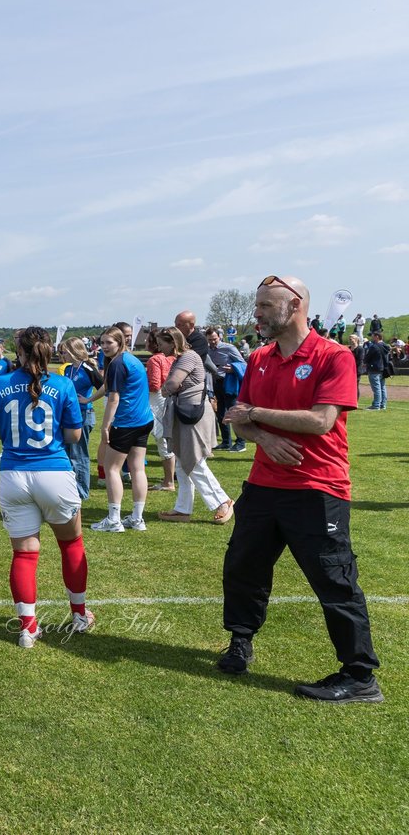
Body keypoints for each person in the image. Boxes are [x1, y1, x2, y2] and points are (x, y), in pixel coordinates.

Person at [217, 275, 382, 703]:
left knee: (335, 579)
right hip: (263, 484)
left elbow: (321, 420)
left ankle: (360, 675)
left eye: (265, 306)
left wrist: (255, 413)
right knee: (243, 567)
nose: (256, 314)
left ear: (294, 306)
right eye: (257, 306)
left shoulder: (335, 355)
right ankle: (240, 640)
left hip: (317, 488)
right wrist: (265, 437)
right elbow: (239, 417)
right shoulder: (259, 358)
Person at [0, 326, 92, 647]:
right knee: (71, 545)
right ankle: (79, 614)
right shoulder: (62, 384)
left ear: (19, 352)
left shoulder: (0, 383)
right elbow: (74, 435)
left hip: (14, 476)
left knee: (24, 554)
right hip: (53, 473)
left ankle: (28, 628)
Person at [154, 328, 234, 525]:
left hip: (192, 416)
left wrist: (169, 388)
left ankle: (222, 501)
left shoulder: (188, 357)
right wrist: (170, 389)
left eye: (161, 343)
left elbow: (170, 386)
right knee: (182, 461)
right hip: (186, 415)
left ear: (173, 342)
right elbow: (170, 388)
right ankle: (182, 509)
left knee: (194, 460)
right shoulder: (183, 358)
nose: (158, 347)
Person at [91, 326, 153, 532]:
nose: (104, 347)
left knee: (112, 469)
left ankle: (114, 519)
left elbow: (114, 398)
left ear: (120, 343)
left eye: (109, 342)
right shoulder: (132, 359)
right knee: (137, 469)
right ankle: (137, 518)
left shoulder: (118, 363)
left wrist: (105, 426)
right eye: (102, 343)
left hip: (126, 422)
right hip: (143, 421)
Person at [59, 337, 102, 500]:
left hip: (83, 415)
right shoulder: (69, 368)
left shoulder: (87, 367)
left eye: (64, 351)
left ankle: (81, 491)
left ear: (73, 350)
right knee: (69, 453)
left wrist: (88, 399)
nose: (62, 355)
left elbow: (105, 385)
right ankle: (71, 487)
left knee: (79, 455)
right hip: (69, 415)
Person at [144, 330, 176, 491]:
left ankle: (168, 481)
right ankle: (171, 478)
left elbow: (154, 384)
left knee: (162, 439)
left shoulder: (155, 359)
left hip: (157, 401)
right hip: (171, 400)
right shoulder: (173, 357)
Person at [207, 328, 247, 452]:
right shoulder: (207, 350)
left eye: (214, 339)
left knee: (233, 411)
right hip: (217, 382)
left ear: (219, 337)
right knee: (220, 413)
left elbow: (243, 363)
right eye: (210, 340)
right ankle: (226, 442)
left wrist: (233, 368)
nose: (213, 342)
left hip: (229, 382)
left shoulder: (229, 348)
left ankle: (241, 443)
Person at [363, 331, 390, 410]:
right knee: (382, 387)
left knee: (377, 388)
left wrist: (365, 362)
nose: (372, 337)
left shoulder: (374, 346)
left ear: (377, 337)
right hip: (383, 369)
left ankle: (376, 405)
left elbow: (367, 357)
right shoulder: (385, 346)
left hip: (374, 368)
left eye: (373, 336)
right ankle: (383, 404)